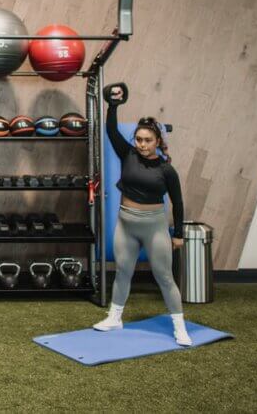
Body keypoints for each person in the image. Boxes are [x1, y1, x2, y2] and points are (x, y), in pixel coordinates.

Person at [93, 82, 192, 346]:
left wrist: (178, 234)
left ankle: (180, 326)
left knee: (164, 277)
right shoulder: (128, 155)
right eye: (139, 139)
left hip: (154, 227)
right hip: (126, 224)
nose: (142, 144)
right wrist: (113, 106)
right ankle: (114, 317)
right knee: (123, 272)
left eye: (148, 140)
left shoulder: (166, 170)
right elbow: (112, 130)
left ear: (158, 141)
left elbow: (178, 202)